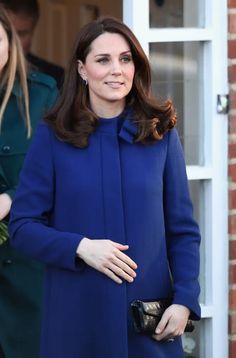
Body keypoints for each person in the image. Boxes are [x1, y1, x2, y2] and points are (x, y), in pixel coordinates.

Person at [9, 17, 201, 358]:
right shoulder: (53, 137)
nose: (117, 70)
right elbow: (22, 227)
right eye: (103, 60)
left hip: (147, 326)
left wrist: (185, 300)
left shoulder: (160, 134)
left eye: (125, 59)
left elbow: (182, 230)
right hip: (76, 324)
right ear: (82, 70)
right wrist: (81, 247)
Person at [0, 6, 58, 358]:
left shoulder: (43, 94)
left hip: (27, 275)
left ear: (10, 42)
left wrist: (11, 198)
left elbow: (63, 175)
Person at [0, 0, 64, 88]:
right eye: (6, 32)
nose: (12, 43)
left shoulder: (56, 79)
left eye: (21, 34)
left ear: (33, 31)